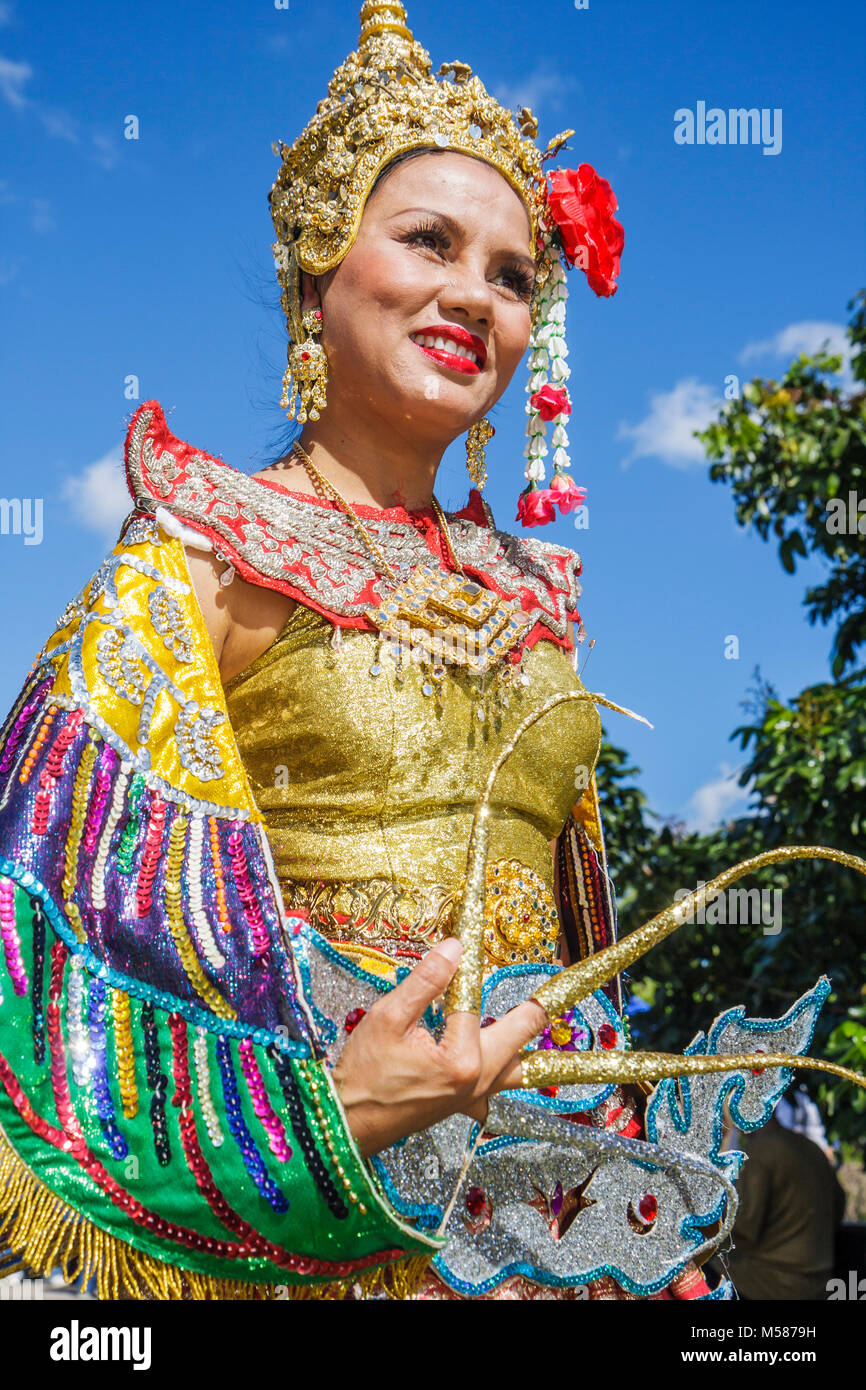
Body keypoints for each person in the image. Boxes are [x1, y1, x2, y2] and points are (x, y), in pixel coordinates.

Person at [0, 1, 863, 1302]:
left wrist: (618, 1180)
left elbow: (573, 945)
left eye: (515, 275)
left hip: (543, 1242)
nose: (476, 293)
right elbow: (42, 925)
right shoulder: (206, 553)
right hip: (316, 1237)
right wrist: (317, 1115)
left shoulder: (539, 598)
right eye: (428, 243)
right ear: (313, 275)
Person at [723, 1115, 846, 1300]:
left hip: (774, 1283)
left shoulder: (762, 1150)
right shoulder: (811, 1147)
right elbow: (839, 1206)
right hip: (820, 1280)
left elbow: (744, 1229)